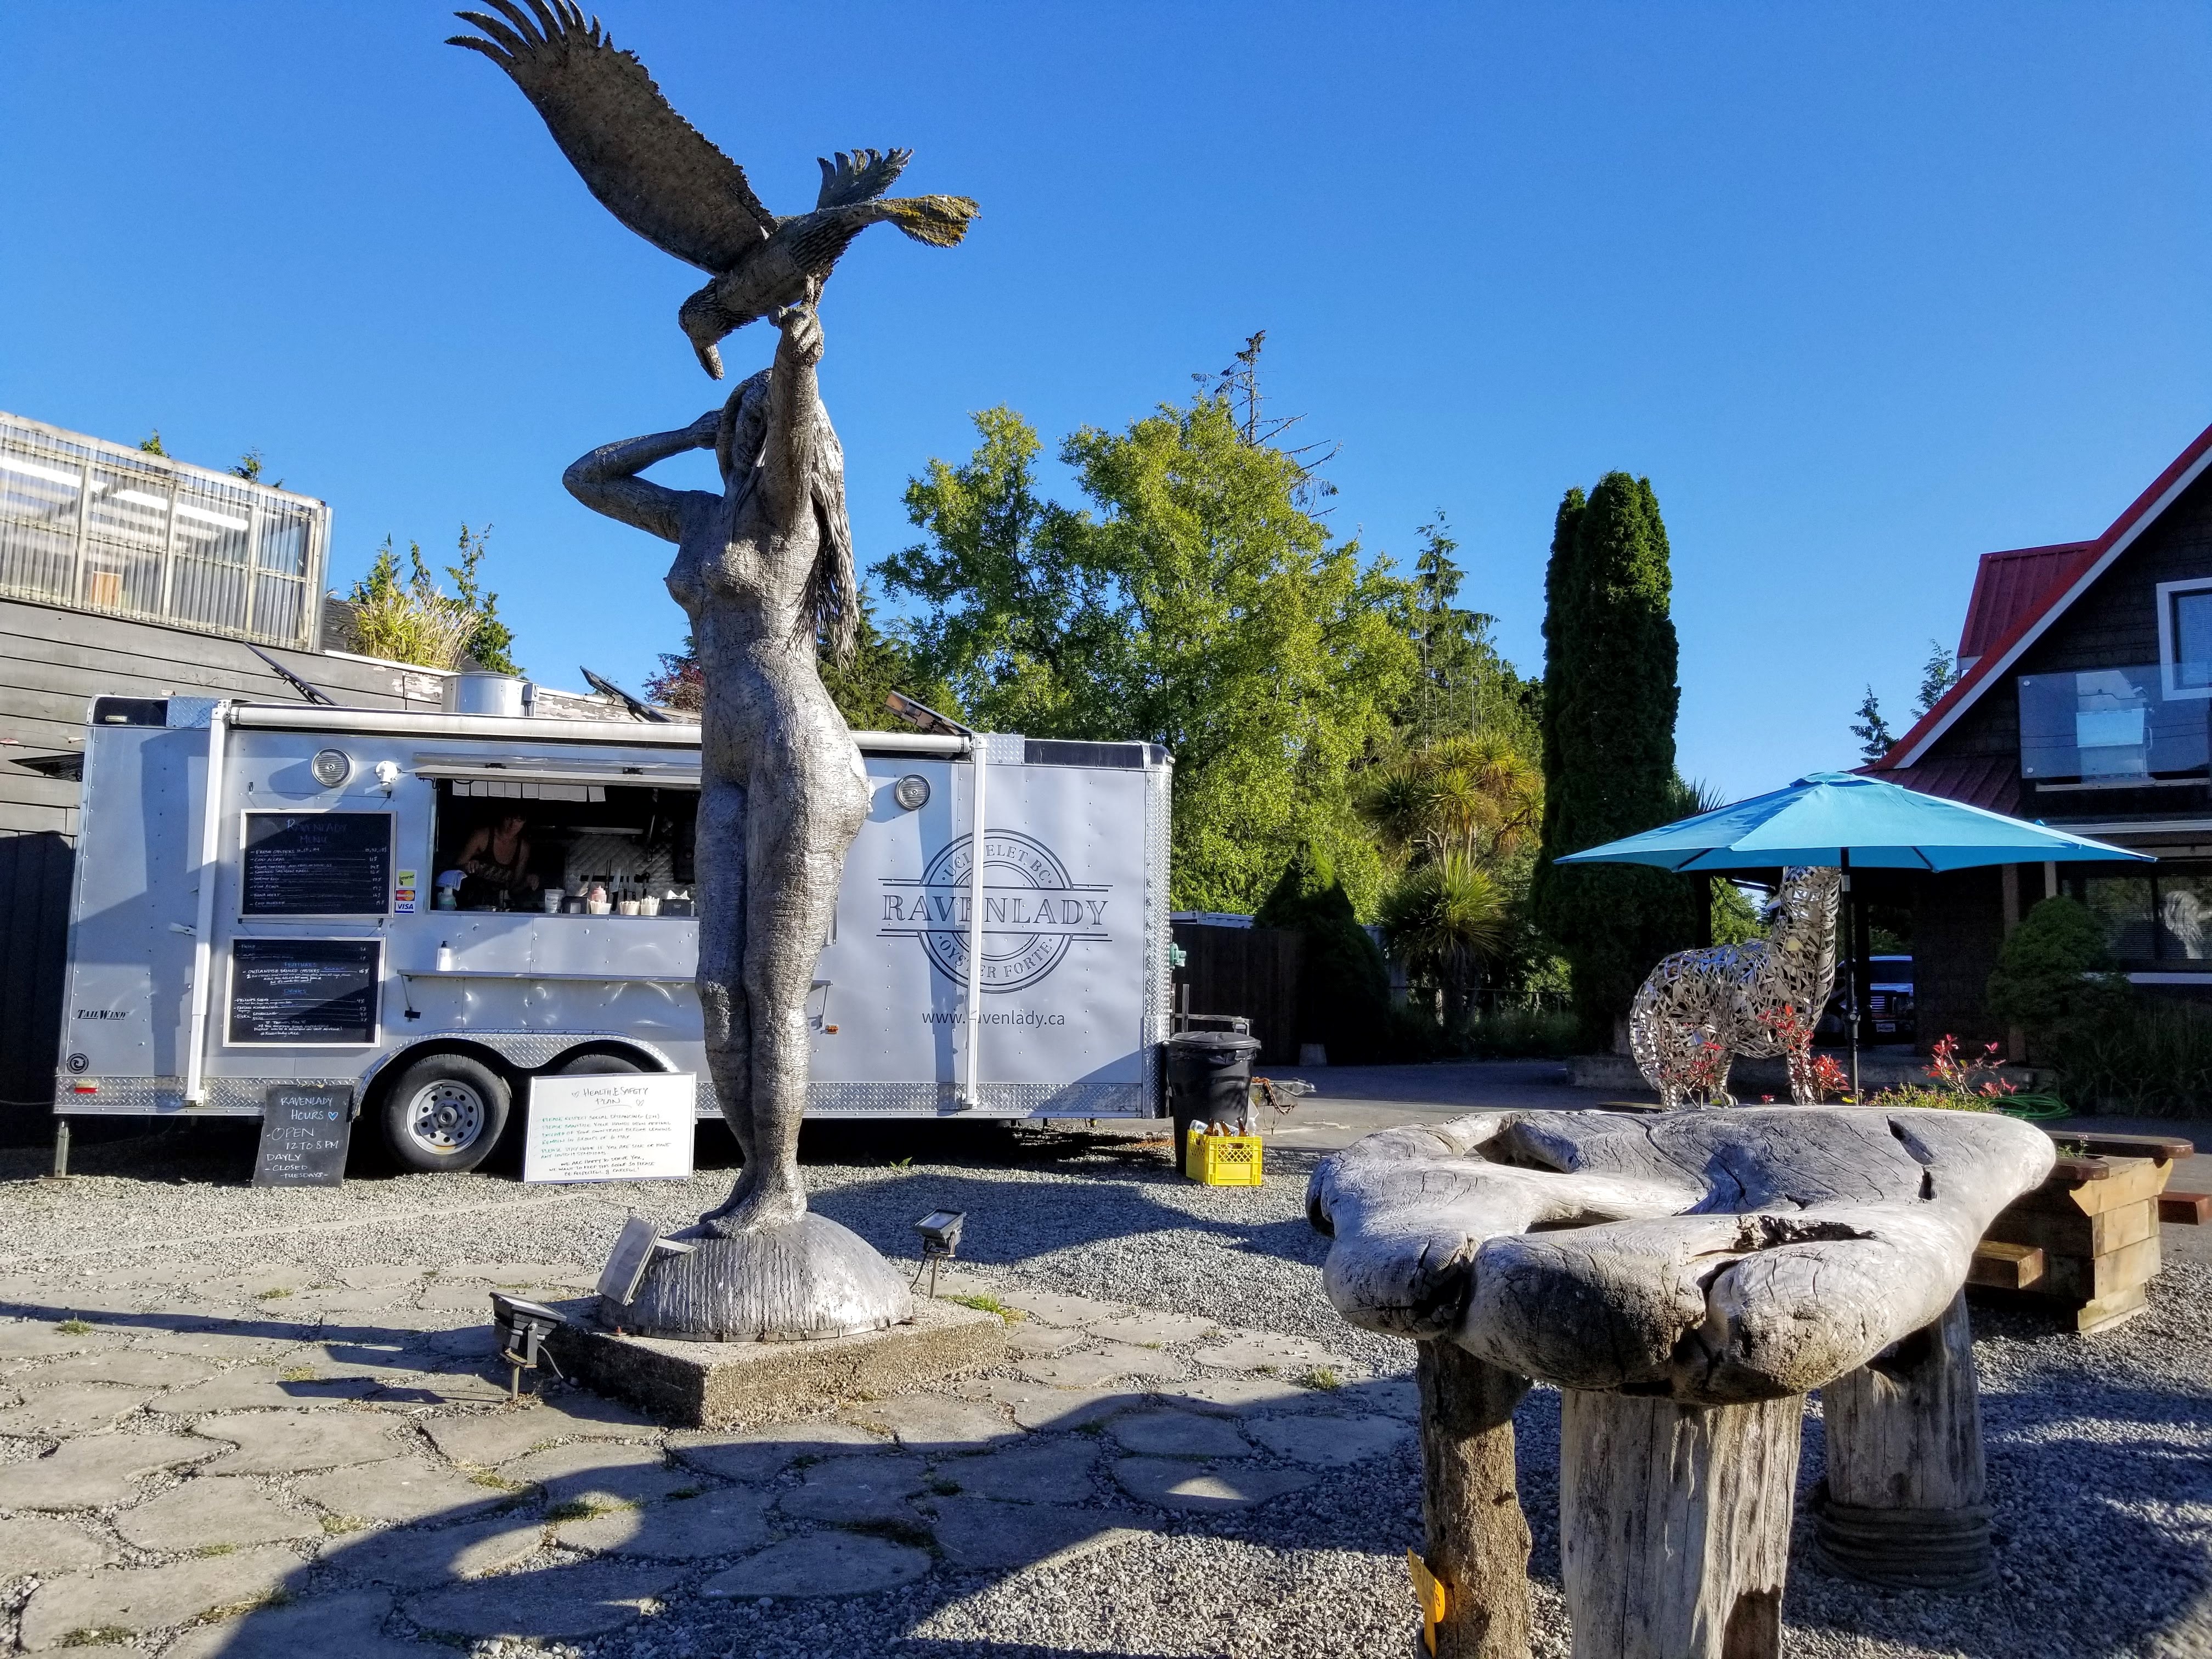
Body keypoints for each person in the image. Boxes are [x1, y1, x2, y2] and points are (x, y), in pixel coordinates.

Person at [562, 297, 864, 1236]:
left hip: (795, 746)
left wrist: (794, 364)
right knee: (717, 985)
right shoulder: (696, 516)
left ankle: (781, 1182)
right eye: (732, 422)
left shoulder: (783, 515)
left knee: (773, 986)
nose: (744, 434)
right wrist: (689, 429)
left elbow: (793, 425)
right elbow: (585, 476)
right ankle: (750, 1175)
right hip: (726, 753)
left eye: (755, 422)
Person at [453, 811, 539, 908]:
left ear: (524, 823)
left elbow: (513, 889)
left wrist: (527, 882)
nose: (512, 825)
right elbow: (454, 870)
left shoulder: (523, 848)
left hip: (500, 908)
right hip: (470, 903)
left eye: (518, 821)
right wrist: (468, 866)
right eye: (508, 819)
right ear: (502, 818)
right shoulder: (482, 836)